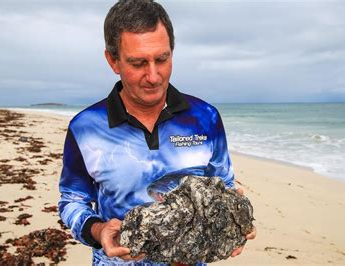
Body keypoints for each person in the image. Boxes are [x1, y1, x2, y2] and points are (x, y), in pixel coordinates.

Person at [58, 0, 256, 265]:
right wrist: (98, 230)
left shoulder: (205, 118)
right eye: (138, 63)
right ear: (113, 60)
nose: (153, 76)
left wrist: (236, 217)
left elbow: (225, 184)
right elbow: (72, 201)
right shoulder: (86, 127)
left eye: (162, 59)